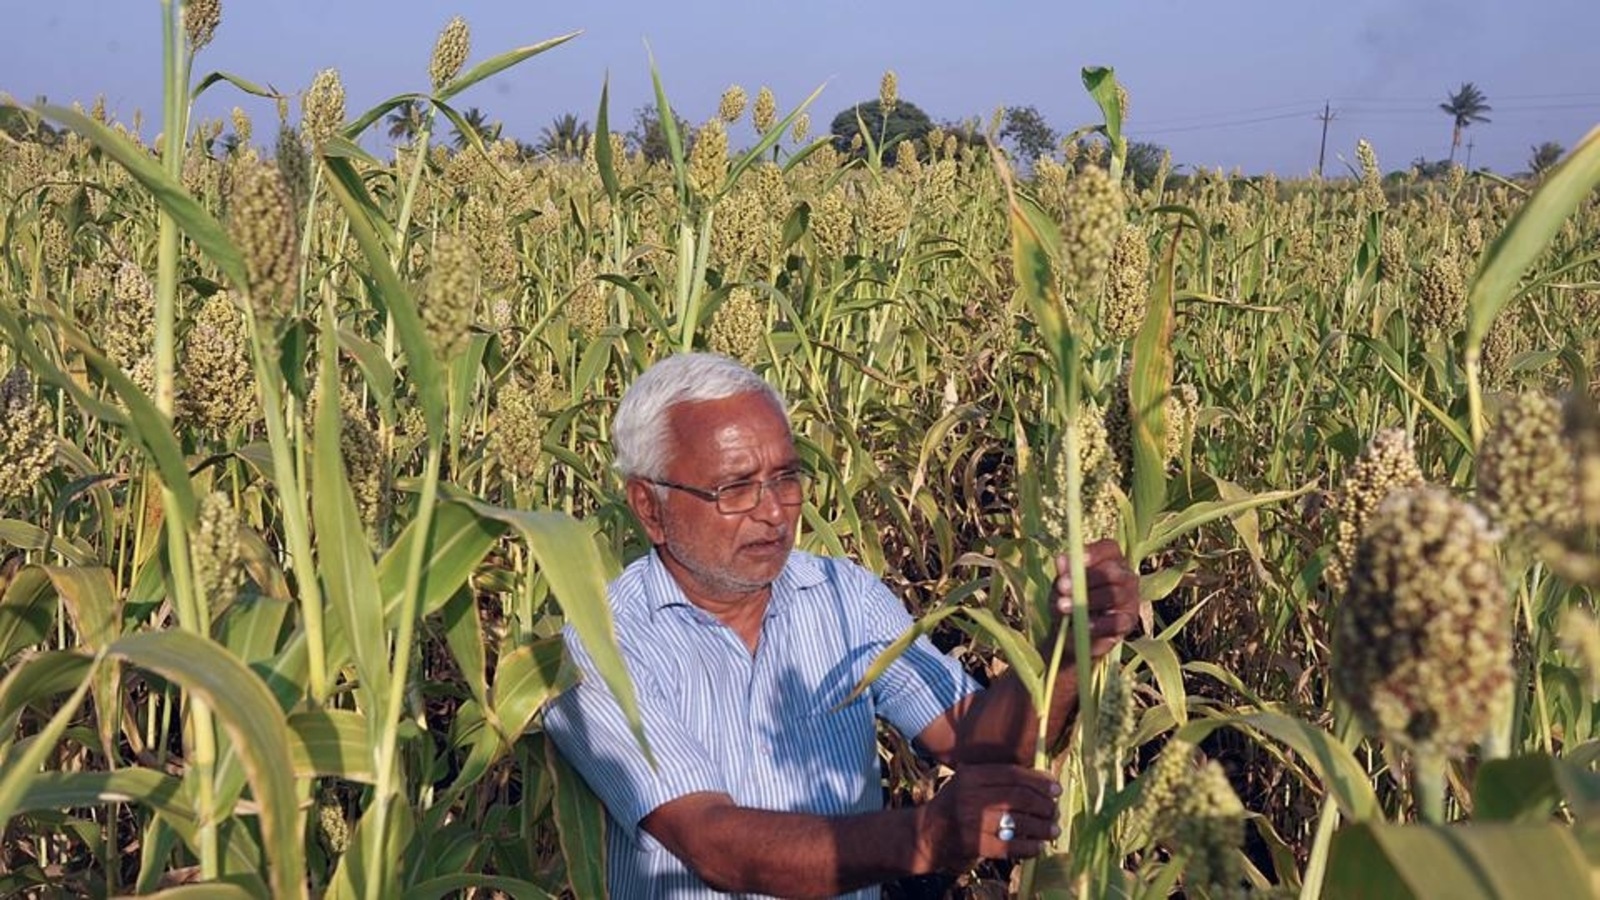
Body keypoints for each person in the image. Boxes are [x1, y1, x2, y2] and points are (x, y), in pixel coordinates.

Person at [543, 353, 1140, 899]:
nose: (774, 512)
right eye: (735, 489)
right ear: (650, 507)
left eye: (786, 477)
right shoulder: (603, 644)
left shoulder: (842, 596)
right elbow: (713, 843)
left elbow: (980, 738)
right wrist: (926, 837)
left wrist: (1068, 646)